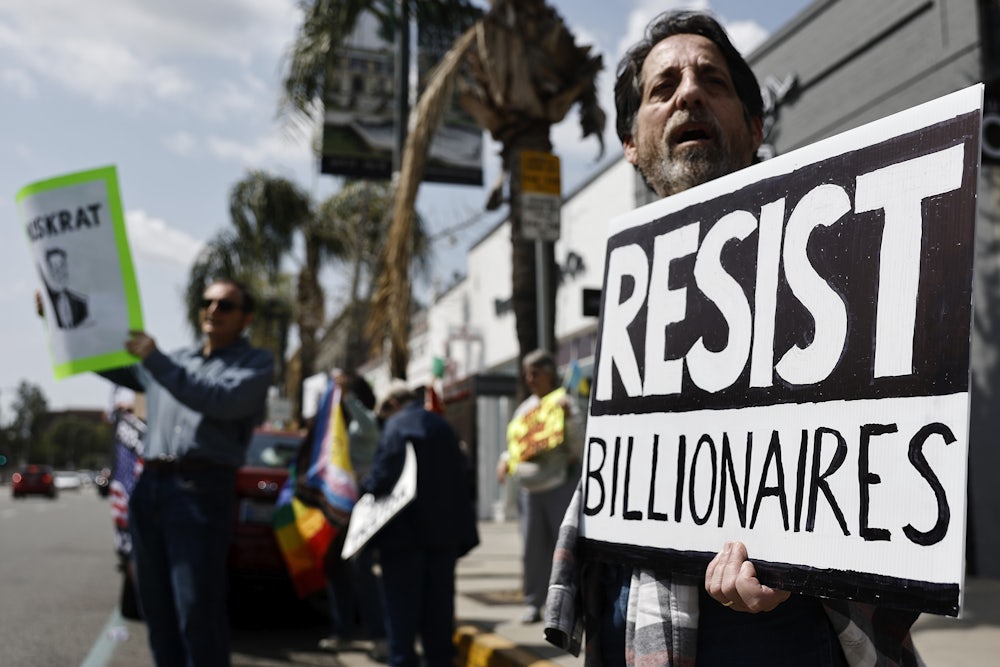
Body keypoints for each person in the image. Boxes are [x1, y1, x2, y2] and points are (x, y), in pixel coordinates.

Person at [544, 11, 923, 666]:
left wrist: (804, 558)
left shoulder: (837, 265)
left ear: (754, 127)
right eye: (662, 88)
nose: (687, 92)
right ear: (632, 143)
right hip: (627, 620)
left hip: (787, 633)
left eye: (710, 79)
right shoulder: (633, 288)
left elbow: (892, 494)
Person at [99, 278, 274, 667]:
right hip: (151, 487)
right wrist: (61, 325)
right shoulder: (175, 360)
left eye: (225, 305)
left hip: (201, 490)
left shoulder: (256, 364)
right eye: (207, 302)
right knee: (157, 611)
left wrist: (156, 359)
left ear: (245, 318)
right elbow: (110, 365)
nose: (213, 310)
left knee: (197, 608)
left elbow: (217, 399)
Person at [361, 379, 479, 667]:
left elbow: (380, 480)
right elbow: (464, 480)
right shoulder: (442, 427)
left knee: (402, 632)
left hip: (402, 543)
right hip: (443, 541)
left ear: (392, 405)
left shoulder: (395, 428)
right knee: (438, 628)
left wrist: (360, 487)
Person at [498, 349, 583, 624]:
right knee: (532, 550)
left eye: (535, 373)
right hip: (530, 491)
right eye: (527, 374)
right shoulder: (525, 410)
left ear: (548, 374)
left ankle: (566, 603)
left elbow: (580, 445)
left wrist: (569, 419)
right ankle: (534, 601)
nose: (530, 379)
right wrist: (504, 461)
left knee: (564, 548)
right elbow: (515, 444)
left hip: (559, 484)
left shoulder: (565, 402)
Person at [319, 370, 389, 662]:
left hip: (362, 504)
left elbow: (363, 420)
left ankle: (378, 636)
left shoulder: (368, 423)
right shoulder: (340, 425)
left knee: (362, 570)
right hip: (340, 505)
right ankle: (343, 630)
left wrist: (345, 394)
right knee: (335, 565)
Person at [40, 246, 89, 329]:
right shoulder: (47, 303)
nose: (59, 272)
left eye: (61, 265)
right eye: (54, 267)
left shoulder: (81, 303)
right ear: (49, 270)